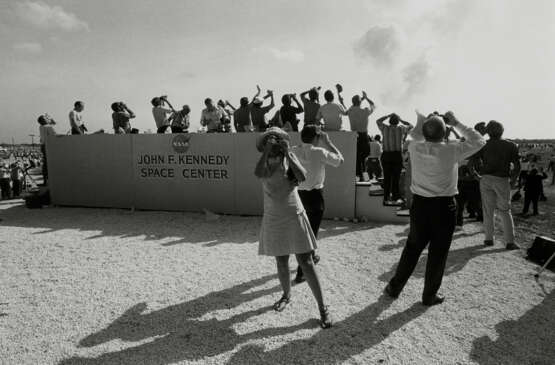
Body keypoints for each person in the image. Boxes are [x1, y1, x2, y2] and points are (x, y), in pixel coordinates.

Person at [384, 111, 485, 306]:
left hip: (420, 205)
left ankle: (394, 287)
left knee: (412, 248)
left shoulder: (414, 147)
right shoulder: (452, 150)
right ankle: (429, 295)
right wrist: (455, 122)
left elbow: (416, 135)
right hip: (444, 207)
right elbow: (479, 140)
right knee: (438, 253)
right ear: (445, 132)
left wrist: (429, 122)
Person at [254, 127, 331, 328]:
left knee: (306, 261)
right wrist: (266, 153)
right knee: (281, 261)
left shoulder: (289, 157)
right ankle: (286, 295)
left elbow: (302, 176)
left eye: (277, 138)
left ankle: (323, 308)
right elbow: (259, 173)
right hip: (273, 216)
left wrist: (288, 153)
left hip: (293, 213)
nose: (273, 141)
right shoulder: (264, 160)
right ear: (264, 144)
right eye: (270, 138)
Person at [291, 126, 344, 283]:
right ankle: (302, 272)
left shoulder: (292, 150)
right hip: (315, 196)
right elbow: (340, 160)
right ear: (316, 138)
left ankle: (312, 256)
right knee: (311, 234)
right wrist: (328, 143)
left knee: (304, 233)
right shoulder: (320, 152)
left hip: (297, 196)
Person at [473, 120, 520, 250]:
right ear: (502, 130)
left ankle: (488, 239)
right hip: (502, 178)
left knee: (488, 211)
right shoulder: (510, 145)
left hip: (486, 178)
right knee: (505, 211)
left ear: (488, 132)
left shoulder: (484, 145)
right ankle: (510, 242)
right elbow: (517, 166)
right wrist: (514, 180)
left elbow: (471, 163)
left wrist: (476, 176)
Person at [376, 113, 413, 204]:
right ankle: (396, 197)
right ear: (397, 121)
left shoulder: (384, 128)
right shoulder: (401, 128)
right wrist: (401, 120)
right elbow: (411, 126)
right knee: (396, 178)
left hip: (386, 155)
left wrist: (387, 115)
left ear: (389, 121)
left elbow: (378, 121)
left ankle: (386, 197)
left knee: (387, 177)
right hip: (397, 156)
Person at [347, 91, 376, 179]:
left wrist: (361, 99)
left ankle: (359, 174)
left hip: (354, 136)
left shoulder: (350, 111)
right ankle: (361, 174)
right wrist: (366, 98)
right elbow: (373, 105)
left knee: (357, 157)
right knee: (364, 155)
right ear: (360, 102)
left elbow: (353, 105)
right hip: (363, 135)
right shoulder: (365, 111)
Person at [38, 114, 57, 184]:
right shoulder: (48, 127)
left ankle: (45, 180)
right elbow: (55, 135)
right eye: (45, 118)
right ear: (43, 120)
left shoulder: (41, 127)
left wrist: (49, 119)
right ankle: (50, 179)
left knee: (45, 163)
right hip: (49, 146)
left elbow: (53, 123)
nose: (47, 119)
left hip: (43, 146)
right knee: (50, 163)